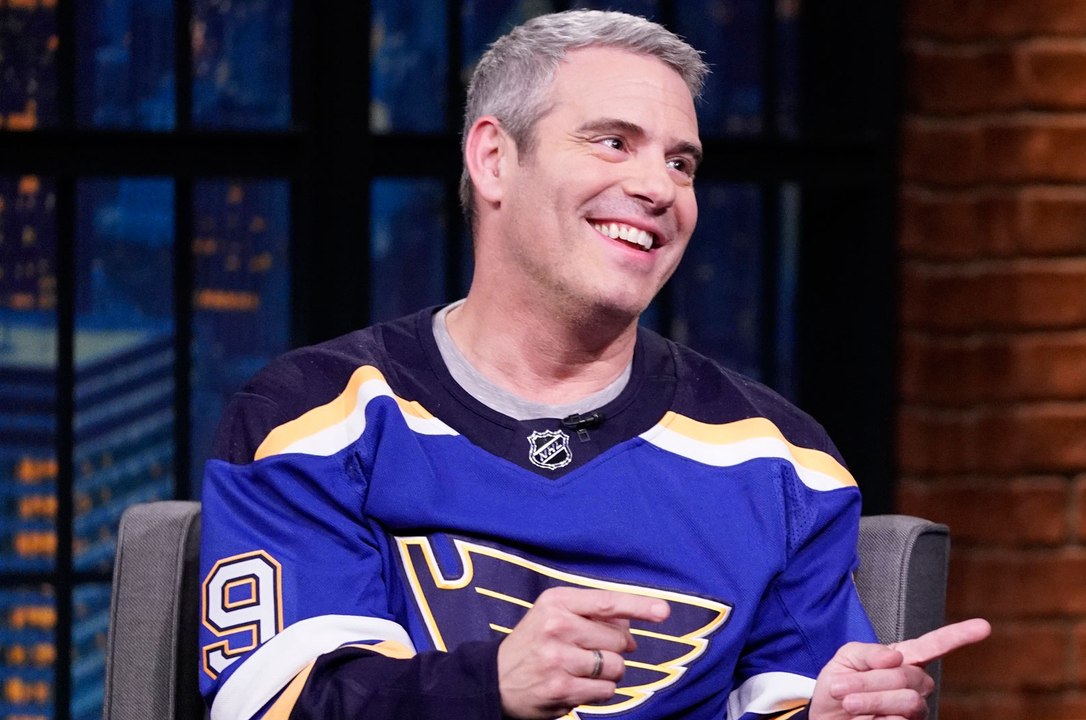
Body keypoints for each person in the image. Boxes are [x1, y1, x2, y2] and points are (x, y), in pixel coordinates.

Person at [197, 9, 990, 720]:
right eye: (614, 142)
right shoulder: (316, 419)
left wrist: (836, 714)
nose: (656, 187)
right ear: (494, 158)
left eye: (682, 164)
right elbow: (280, 704)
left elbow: (786, 700)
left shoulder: (782, 464)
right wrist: (491, 684)